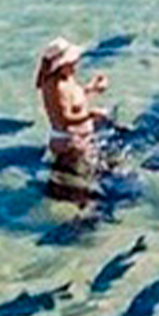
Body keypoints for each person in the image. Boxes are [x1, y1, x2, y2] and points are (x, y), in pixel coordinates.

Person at [36, 37, 110, 202]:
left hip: (80, 141)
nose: (75, 65)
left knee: (83, 180)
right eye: (71, 62)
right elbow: (64, 119)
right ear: (61, 65)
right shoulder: (56, 88)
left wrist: (91, 88)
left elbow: (74, 100)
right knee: (78, 187)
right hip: (70, 144)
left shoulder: (65, 79)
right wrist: (91, 115)